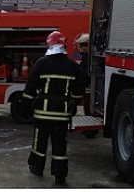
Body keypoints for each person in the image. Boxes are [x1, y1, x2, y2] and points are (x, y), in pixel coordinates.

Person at [21, 31, 84, 185]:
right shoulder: (73, 66)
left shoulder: (41, 63)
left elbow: (30, 87)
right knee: (60, 143)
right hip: (62, 113)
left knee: (39, 142)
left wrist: (25, 105)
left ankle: (37, 167)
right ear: (64, 45)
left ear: (49, 44)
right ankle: (59, 175)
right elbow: (79, 90)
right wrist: (74, 103)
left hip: (42, 112)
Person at [75, 33, 99, 138]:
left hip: (91, 88)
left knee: (90, 109)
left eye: (82, 46)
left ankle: (91, 130)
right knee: (87, 108)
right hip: (89, 88)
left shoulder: (89, 58)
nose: (81, 49)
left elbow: (84, 73)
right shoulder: (88, 57)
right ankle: (89, 128)